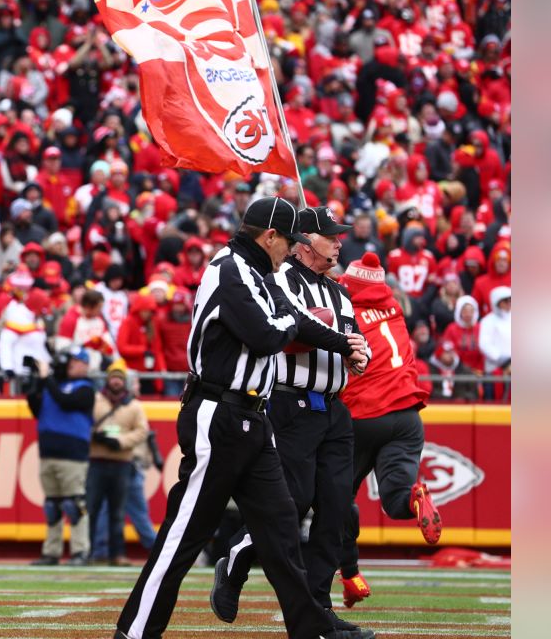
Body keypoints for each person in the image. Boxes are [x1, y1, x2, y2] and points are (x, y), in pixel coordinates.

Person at [114, 197, 371, 639]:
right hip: (219, 414)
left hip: (254, 418)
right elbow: (267, 333)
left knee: (283, 531)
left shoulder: (257, 272)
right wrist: (296, 324)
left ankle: (312, 630)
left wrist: (341, 342)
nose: (291, 250)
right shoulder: (229, 268)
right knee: (184, 535)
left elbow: (293, 322)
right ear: (269, 236)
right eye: (288, 241)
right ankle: (134, 633)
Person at [211, 207, 371, 634]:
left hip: (334, 407)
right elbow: (292, 330)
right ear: (305, 242)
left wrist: (359, 355)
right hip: (291, 402)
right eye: (330, 236)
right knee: (293, 502)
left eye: (339, 236)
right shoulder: (281, 279)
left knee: (336, 510)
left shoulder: (339, 291)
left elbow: (357, 339)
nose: (339, 243)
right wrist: (341, 343)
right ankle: (239, 556)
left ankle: (318, 608)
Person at [336, 252, 442, 609]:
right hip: (407, 415)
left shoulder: (345, 308)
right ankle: (415, 496)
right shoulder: (394, 308)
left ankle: (351, 575)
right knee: (396, 501)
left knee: (337, 499)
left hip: (365, 412)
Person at [27, 346, 96, 566]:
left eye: (75, 361)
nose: (71, 365)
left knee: (74, 504)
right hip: (48, 452)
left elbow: (65, 402)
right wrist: (37, 380)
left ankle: (80, 551)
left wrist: (47, 378)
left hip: (72, 454)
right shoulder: (52, 386)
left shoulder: (85, 388)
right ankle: (51, 551)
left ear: (85, 364)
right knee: (52, 505)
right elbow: (35, 407)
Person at [87, 359, 149, 567]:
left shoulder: (134, 405)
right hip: (96, 461)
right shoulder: (95, 401)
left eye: (119, 378)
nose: (116, 382)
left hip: (122, 463)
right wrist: (96, 436)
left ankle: (117, 554)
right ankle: (90, 552)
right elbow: (84, 423)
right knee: (92, 509)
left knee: (117, 512)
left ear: (125, 382)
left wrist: (120, 442)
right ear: (107, 380)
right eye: (113, 378)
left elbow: (142, 431)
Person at [477, 286, 511, 402]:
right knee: (493, 402)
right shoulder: (488, 321)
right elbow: (484, 344)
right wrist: (502, 359)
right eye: (505, 300)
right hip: (495, 369)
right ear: (497, 302)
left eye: (510, 300)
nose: (508, 303)